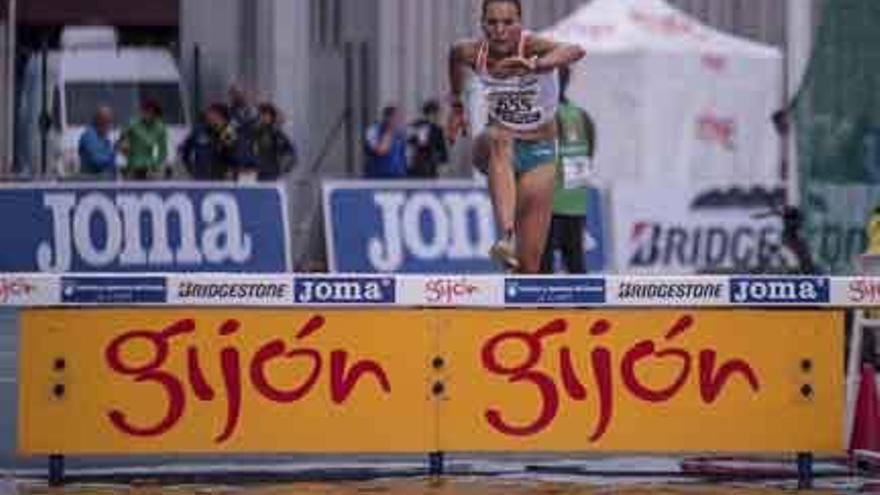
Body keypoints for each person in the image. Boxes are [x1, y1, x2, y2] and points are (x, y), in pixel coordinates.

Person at [447, 0, 585, 273]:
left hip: (540, 153)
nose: (499, 30)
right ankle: (506, 236)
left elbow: (575, 50)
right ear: (482, 24)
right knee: (500, 137)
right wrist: (456, 106)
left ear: (520, 24)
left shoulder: (531, 45)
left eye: (508, 23)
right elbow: (453, 57)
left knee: (529, 268)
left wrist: (536, 66)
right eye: (492, 23)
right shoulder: (473, 52)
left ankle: (515, 276)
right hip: (494, 146)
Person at [541, 66, 597, 274]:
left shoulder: (545, 116)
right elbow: (589, 155)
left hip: (547, 203)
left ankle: (544, 305)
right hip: (576, 201)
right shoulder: (582, 117)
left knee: (542, 266)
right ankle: (582, 304)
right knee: (575, 262)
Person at [179, 103, 240, 181]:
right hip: (200, 178)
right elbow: (185, 150)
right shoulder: (198, 130)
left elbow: (233, 153)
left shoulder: (228, 131)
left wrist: (221, 130)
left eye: (214, 114)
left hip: (221, 178)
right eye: (209, 113)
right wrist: (191, 169)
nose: (209, 116)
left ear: (222, 117)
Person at [118, 100, 169, 180]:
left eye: (151, 112)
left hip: (151, 169)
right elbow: (122, 139)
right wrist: (123, 144)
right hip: (133, 168)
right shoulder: (133, 124)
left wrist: (155, 166)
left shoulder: (160, 128)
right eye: (146, 110)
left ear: (156, 114)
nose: (148, 114)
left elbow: (161, 151)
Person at [251, 103, 297, 181]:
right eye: (262, 115)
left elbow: (290, 151)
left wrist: (284, 166)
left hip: (272, 171)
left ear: (272, 117)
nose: (264, 117)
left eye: (266, 115)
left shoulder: (276, 133)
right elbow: (250, 149)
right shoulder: (256, 131)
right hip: (256, 170)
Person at [408, 100, 449, 178]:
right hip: (417, 165)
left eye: (438, 114)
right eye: (436, 113)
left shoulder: (438, 129)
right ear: (430, 113)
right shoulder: (417, 125)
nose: (438, 116)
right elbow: (411, 142)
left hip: (432, 167)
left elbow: (442, 149)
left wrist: (443, 161)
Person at [364, 105, 408, 179]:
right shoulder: (374, 129)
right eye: (397, 118)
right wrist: (388, 132)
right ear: (388, 118)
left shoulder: (400, 133)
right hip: (378, 176)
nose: (400, 121)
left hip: (397, 176)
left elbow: (402, 157)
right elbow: (380, 151)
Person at [78, 106, 117, 180]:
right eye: (108, 122)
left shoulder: (104, 138)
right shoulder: (89, 136)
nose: (110, 126)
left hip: (105, 181)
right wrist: (114, 154)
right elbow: (97, 161)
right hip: (92, 182)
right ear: (100, 121)